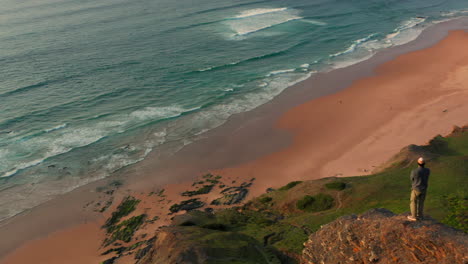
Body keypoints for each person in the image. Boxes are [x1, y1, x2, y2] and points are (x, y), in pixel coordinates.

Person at [407, 157, 430, 221]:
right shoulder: (428, 170)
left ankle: (413, 216)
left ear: (417, 163)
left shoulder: (414, 171)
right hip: (424, 188)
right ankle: (420, 216)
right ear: (424, 163)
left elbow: (412, 179)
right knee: (421, 202)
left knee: (413, 202)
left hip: (416, 188)